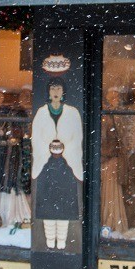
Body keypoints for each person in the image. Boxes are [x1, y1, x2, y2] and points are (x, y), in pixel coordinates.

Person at [31, 79, 84, 249]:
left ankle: (62, 241)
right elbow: (36, 137)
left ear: (63, 91)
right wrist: (47, 148)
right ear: (48, 91)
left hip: (66, 166)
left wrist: (65, 149)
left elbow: (78, 137)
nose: (56, 91)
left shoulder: (72, 113)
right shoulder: (41, 113)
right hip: (46, 165)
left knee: (64, 204)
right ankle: (49, 240)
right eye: (53, 88)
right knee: (48, 204)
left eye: (59, 88)